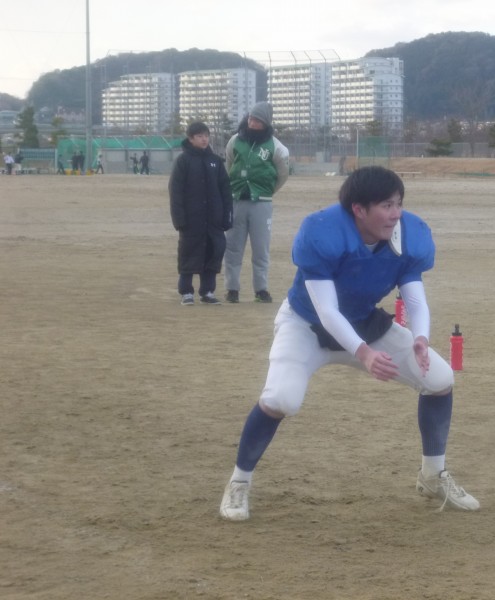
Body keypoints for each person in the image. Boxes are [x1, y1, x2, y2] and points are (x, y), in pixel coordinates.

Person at [219, 165, 479, 521]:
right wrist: (365, 353)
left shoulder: (408, 236)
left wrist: (420, 338)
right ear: (358, 209)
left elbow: (415, 299)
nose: (396, 214)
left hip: (363, 321)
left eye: (399, 203)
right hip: (306, 325)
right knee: (281, 399)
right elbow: (326, 311)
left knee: (439, 379)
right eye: (386, 205)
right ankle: (239, 481)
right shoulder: (323, 232)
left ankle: (433, 475)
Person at [223, 101, 290, 304]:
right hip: (236, 201)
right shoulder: (234, 141)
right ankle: (232, 289)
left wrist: (266, 192)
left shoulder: (277, 147)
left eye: (258, 121)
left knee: (261, 249)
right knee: (232, 248)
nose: (253, 123)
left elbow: (282, 175)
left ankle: (261, 289)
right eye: (251, 119)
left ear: (266, 123)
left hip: (262, 203)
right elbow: (229, 165)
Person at [169, 122, 233, 306]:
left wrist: (227, 216)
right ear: (191, 139)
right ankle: (186, 292)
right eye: (199, 136)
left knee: (213, 253)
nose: (204, 139)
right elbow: (175, 191)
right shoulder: (183, 161)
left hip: (214, 220)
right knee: (188, 253)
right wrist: (179, 219)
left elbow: (225, 191)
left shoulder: (215, 161)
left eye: (206, 135)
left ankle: (207, 291)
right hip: (191, 220)